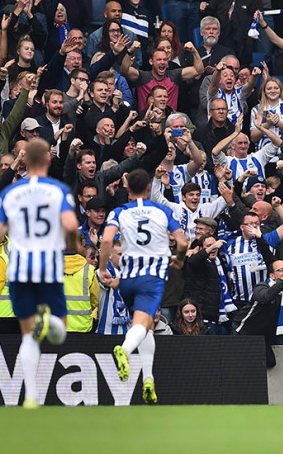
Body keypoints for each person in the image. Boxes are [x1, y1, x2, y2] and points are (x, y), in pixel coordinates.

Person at [0, 138, 79, 409]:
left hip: (20, 268)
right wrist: (72, 242)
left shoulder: (12, 193)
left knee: (28, 336)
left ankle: (31, 396)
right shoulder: (58, 190)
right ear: (48, 160)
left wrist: (11, 226)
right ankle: (51, 323)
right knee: (59, 333)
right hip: (48, 266)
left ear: (24, 160)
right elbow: (71, 225)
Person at [101, 168, 189, 404]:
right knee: (143, 323)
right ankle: (125, 350)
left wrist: (103, 269)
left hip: (128, 278)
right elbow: (182, 240)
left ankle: (148, 379)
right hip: (151, 278)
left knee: (147, 325)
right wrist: (179, 259)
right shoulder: (161, 210)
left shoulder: (119, 211)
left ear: (127, 189)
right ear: (149, 188)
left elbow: (107, 240)